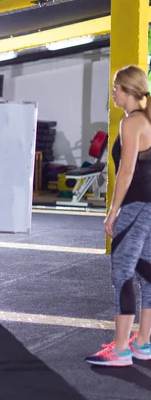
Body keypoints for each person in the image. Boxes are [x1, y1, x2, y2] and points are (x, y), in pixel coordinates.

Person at [86, 65, 151, 367]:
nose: (112, 93)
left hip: (137, 207)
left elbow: (127, 171)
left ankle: (122, 350)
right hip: (149, 208)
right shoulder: (148, 118)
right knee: (148, 276)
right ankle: (142, 343)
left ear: (127, 90)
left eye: (115, 88)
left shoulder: (132, 122)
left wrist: (113, 212)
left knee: (122, 274)